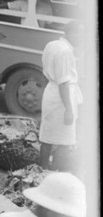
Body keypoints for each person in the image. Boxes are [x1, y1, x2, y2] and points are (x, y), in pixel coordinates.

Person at [39, 21, 83, 172]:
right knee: (64, 140)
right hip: (61, 96)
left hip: (51, 91)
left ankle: (44, 170)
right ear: (69, 33)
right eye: (79, 33)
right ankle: (58, 173)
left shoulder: (52, 44)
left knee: (47, 137)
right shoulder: (65, 51)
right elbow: (63, 82)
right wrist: (69, 109)